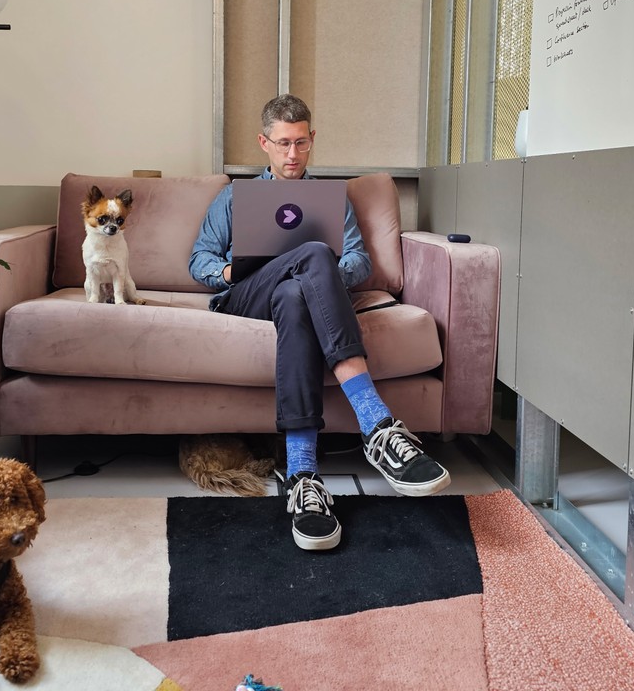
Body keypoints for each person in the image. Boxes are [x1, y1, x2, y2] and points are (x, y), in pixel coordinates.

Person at [189, 94, 450, 551]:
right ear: (263, 143)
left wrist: (318, 276)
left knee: (298, 288)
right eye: (284, 144)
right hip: (248, 295)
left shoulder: (331, 200)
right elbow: (200, 261)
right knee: (311, 253)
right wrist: (233, 271)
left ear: (312, 141)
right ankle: (377, 425)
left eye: (303, 144)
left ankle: (303, 477)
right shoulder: (234, 197)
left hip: (295, 298)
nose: (293, 155)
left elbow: (358, 261)